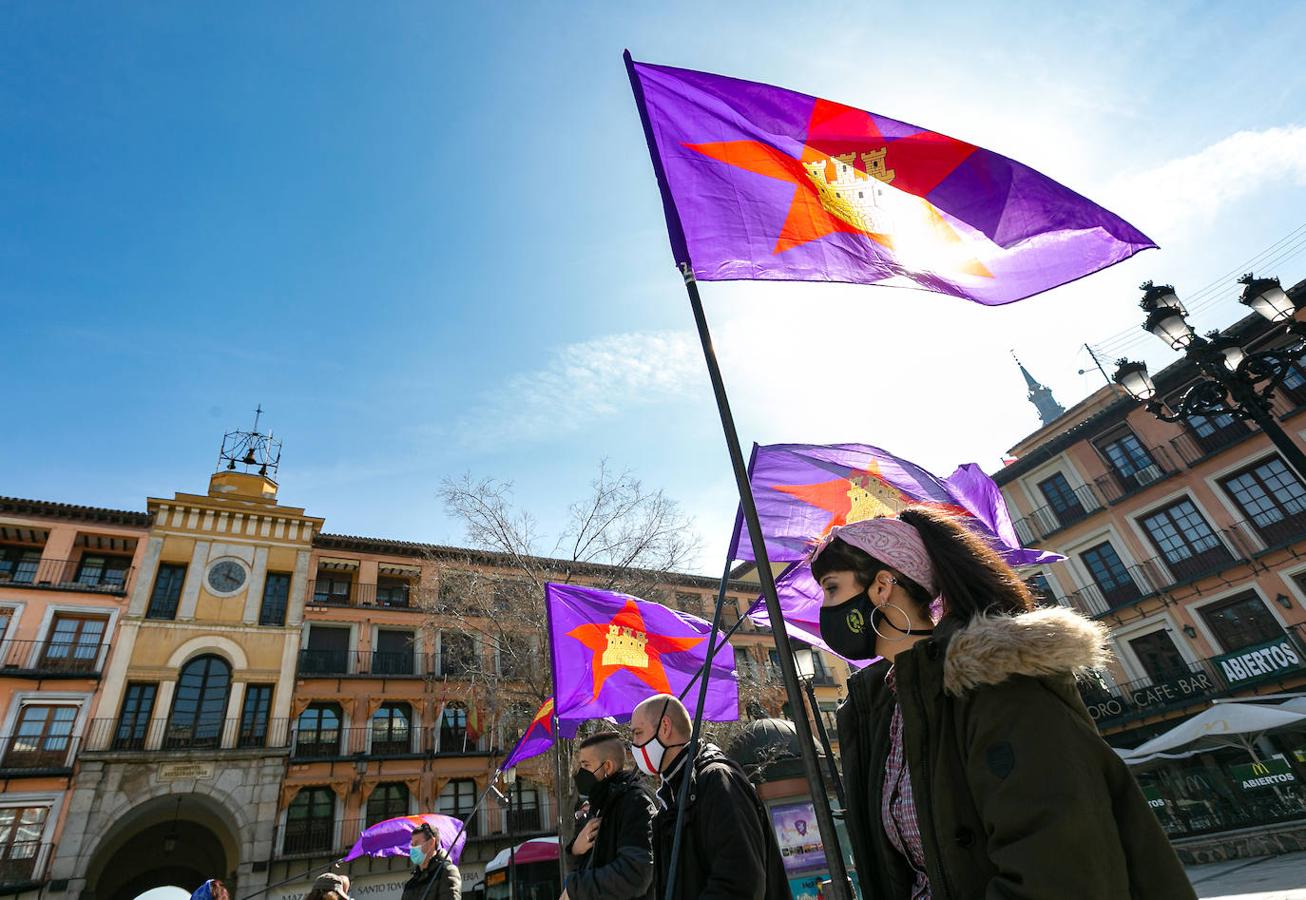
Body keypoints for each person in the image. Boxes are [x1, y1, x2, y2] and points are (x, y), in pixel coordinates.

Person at [813, 507, 1196, 899]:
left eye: (831, 588)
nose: (824, 608)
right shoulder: (884, 708)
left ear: (881, 587)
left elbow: (1058, 869)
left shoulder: (997, 680)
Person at [632, 694, 790, 900]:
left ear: (665, 726)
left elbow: (740, 881)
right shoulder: (673, 796)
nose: (634, 744)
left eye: (638, 733)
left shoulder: (718, 780)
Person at [560, 731, 657, 900]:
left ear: (607, 767)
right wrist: (575, 850)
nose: (580, 773)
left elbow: (635, 874)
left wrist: (575, 888)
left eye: (586, 765)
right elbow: (589, 867)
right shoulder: (599, 806)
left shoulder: (635, 803)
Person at [402, 822, 461, 900]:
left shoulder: (446, 871)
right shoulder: (411, 883)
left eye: (416, 844)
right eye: (412, 845)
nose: (413, 849)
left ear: (431, 843)